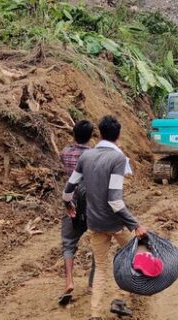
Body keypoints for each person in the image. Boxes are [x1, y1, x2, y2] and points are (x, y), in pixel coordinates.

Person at [63, 115, 149, 319]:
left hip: (94, 223)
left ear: (99, 134)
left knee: (101, 268)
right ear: (118, 136)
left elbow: (67, 191)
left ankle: (95, 314)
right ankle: (120, 299)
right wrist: (136, 225)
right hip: (115, 223)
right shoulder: (118, 158)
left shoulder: (86, 157)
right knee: (131, 258)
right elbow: (115, 201)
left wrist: (69, 204)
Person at [58, 120, 95, 306]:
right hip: (92, 205)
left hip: (71, 203)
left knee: (68, 244)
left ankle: (69, 282)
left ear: (73, 134)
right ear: (91, 136)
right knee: (99, 242)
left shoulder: (64, 153)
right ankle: (91, 284)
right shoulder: (94, 155)